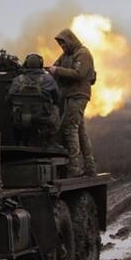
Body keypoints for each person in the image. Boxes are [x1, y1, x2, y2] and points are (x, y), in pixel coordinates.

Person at [48, 28, 96, 176]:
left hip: (78, 95)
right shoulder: (65, 55)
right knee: (80, 131)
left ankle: (74, 167)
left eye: (64, 44)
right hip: (69, 96)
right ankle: (90, 166)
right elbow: (55, 66)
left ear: (70, 40)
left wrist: (57, 71)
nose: (62, 47)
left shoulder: (83, 54)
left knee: (70, 128)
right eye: (60, 45)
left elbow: (78, 74)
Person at [7, 53, 61, 143]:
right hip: (42, 117)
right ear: (40, 64)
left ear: (26, 64)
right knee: (56, 108)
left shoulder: (17, 80)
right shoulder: (48, 79)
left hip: (19, 117)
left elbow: (9, 97)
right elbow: (57, 98)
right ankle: (51, 141)